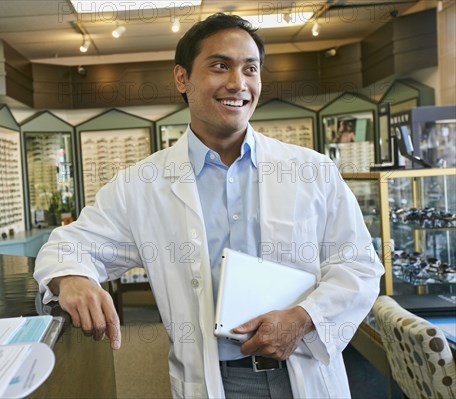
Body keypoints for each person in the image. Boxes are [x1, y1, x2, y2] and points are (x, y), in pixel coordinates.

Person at [34, 13, 384, 399]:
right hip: (215, 380)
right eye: (220, 66)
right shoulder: (142, 185)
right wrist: (73, 279)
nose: (238, 83)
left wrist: (304, 318)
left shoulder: (311, 171)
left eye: (250, 69)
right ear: (182, 78)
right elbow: (68, 245)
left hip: (305, 369)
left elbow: (359, 264)